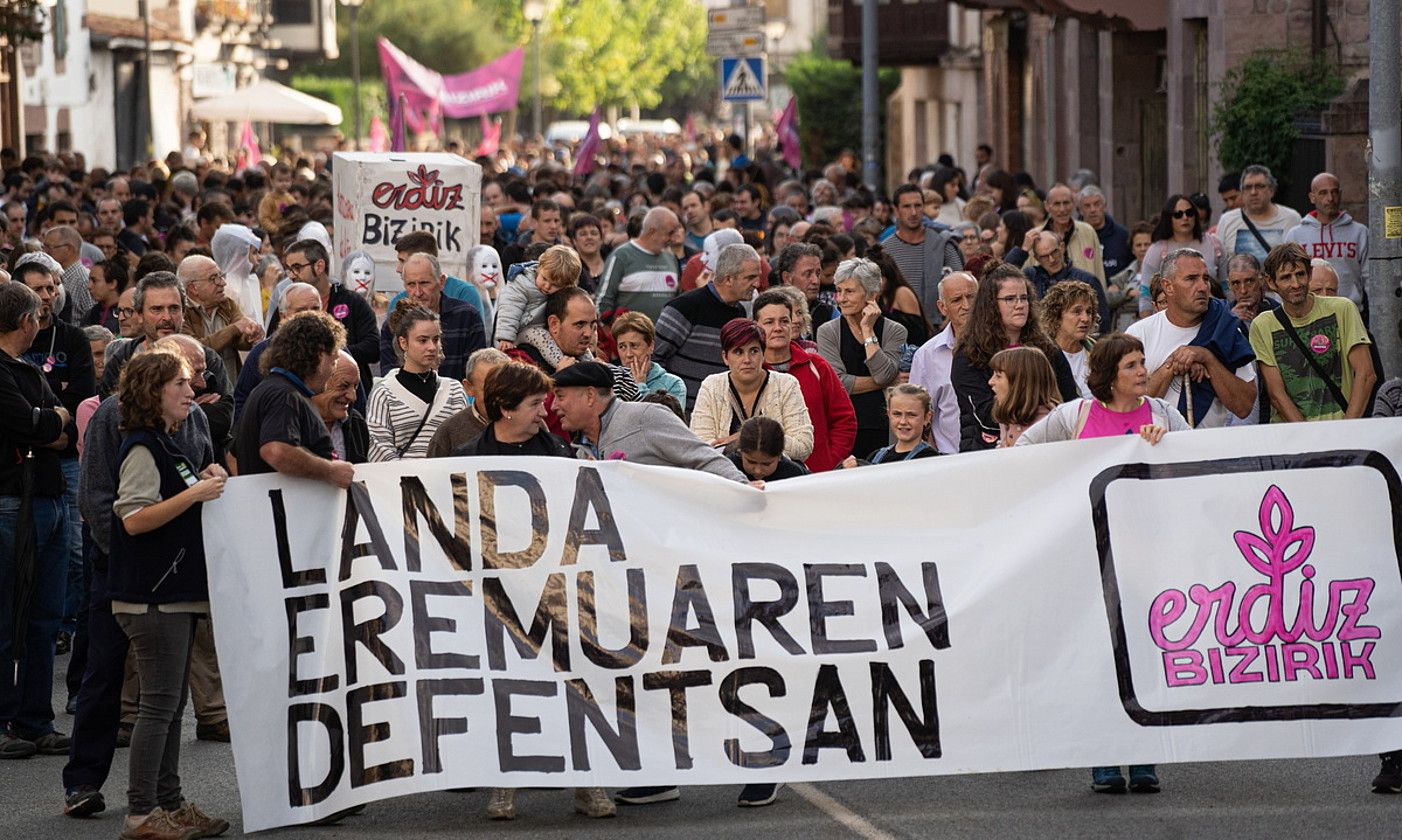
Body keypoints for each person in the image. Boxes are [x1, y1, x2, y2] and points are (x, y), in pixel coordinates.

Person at [108, 348, 230, 840]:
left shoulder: (165, 443)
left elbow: (169, 501)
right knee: (158, 707)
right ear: (152, 392)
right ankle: (141, 813)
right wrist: (194, 493)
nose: (191, 390)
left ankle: (170, 805)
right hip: (151, 596)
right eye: (179, 383)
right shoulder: (142, 446)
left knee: (169, 706)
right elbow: (134, 518)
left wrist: (200, 480)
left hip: (170, 594)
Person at [0, 283, 73, 761]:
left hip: (49, 499)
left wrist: (48, 423)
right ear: (26, 321)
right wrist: (51, 420)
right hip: (11, 504)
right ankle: (5, 721)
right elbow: (34, 424)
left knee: (45, 618)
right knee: (7, 616)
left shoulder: (26, 370)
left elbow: (55, 433)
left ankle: (35, 720)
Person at [551, 361, 747, 482]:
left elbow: (704, 457)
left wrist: (745, 490)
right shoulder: (579, 449)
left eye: (560, 396)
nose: (553, 406)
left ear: (590, 395)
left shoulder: (646, 417)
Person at [1126, 248, 1256, 428]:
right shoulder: (1138, 334)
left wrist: (1207, 358)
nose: (1203, 287)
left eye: (1205, 278)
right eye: (1191, 279)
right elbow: (1128, 405)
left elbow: (1244, 406)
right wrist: (1171, 365)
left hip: (1210, 450)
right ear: (1168, 286)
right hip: (1155, 449)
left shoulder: (1225, 327)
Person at [953, 263, 1078, 450]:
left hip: (1047, 449)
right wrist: (1040, 407)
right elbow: (986, 417)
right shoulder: (969, 355)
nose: (1020, 305)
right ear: (991, 305)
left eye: (1024, 298)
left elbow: (1069, 404)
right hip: (987, 454)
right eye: (1010, 299)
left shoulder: (1047, 349)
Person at [1249, 242, 1375, 422]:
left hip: (1342, 428)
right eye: (1286, 277)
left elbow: (1366, 374)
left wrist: (1347, 430)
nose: (1295, 284)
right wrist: (1309, 437)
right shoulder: (1263, 325)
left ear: (1309, 274)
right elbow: (1276, 394)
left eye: (1300, 274)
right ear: (1271, 283)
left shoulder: (1342, 308)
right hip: (1293, 437)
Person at [231, 311, 353, 488]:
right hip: (285, 513)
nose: (333, 370)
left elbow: (232, 455)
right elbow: (275, 450)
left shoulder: (271, 390)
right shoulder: (284, 395)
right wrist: (330, 471)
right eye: (333, 361)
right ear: (319, 355)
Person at [754, 290, 856, 472]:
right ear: (756, 326)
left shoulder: (817, 365)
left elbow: (844, 420)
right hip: (765, 479)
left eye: (784, 321)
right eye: (769, 322)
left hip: (817, 477)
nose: (778, 327)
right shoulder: (750, 371)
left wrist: (829, 462)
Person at [817, 258, 909, 457]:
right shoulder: (827, 332)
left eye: (849, 291)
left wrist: (867, 330)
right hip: (843, 428)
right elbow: (838, 383)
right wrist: (886, 381)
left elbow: (883, 375)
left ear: (871, 295)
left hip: (884, 427)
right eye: (839, 291)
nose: (841, 298)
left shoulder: (895, 331)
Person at [653, 242, 758, 409]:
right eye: (750, 278)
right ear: (729, 278)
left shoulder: (740, 314)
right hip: (681, 415)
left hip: (718, 416)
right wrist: (671, 405)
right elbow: (654, 359)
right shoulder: (684, 307)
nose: (757, 284)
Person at [690, 318, 814, 461]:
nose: (747, 359)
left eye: (754, 351)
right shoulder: (711, 386)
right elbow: (701, 447)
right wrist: (769, 441)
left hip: (778, 477)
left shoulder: (786, 384)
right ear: (725, 357)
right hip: (726, 477)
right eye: (738, 352)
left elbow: (803, 446)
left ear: (763, 354)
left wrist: (744, 437)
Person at [271, 239, 380, 390]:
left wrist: (331, 355)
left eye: (297, 268)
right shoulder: (288, 302)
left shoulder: (352, 302)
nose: (292, 275)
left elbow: (373, 347)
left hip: (347, 394)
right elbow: (272, 345)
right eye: (289, 269)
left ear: (319, 266)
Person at [367, 306, 467, 461]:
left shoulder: (454, 389)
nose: (432, 347)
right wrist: (409, 481)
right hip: (400, 481)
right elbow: (379, 447)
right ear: (403, 343)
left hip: (446, 481)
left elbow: (463, 443)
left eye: (436, 339)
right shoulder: (384, 392)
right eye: (422, 340)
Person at [377, 252, 487, 384]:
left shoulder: (467, 316)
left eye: (424, 283)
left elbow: (475, 374)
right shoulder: (393, 324)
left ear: (441, 282)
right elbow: (389, 376)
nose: (417, 292)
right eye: (411, 285)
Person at [908, 271, 977, 454]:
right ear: (942, 307)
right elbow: (918, 414)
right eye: (957, 300)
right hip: (948, 458)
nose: (966, 305)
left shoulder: (1001, 344)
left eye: (971, 297)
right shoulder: (926, 355)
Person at [232, 282, 321, 419]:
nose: (310, 316)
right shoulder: (262, 352)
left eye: (315, 309)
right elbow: (241, 401)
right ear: (283, 316)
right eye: (301, 311)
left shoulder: (335, 350)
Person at [452, 362, 574, 461]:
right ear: (506, 409)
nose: (544, 413)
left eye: (543, 402)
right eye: (535, 403)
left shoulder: (559, 452)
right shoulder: (467, 459)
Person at [1285, 172, 1368, 309]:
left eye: (1334, 192)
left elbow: (1372, 278)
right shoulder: (1296, 235)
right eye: (1323, 193)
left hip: (1350, 311)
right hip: (1306, 313)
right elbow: (1285, 277)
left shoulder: (1359, 232)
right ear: (1312, 197)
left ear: (1340, 194)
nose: (1330, 198)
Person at [879, 183, 962, 320]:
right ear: (896, 210)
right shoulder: (886, 250)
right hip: (900, 327)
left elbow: (960, 285)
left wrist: (948, 322)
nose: (913, 212)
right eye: (906, 206)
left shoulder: (942, 244)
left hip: (940, 327)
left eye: (917, 206)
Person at [1139, 194, 1227, 316]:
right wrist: (1147, 324)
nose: (1185, 218)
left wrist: (1229, 317)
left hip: (1213, 316)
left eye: (1189, 213)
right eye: (1178, 214)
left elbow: (1227, 287)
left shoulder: (1214, 244)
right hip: (1169, 321)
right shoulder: (1156, 250)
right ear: (1169, 218)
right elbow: (1145, 295)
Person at [177, 255, 261, 380]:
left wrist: (251, 334)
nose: (222, 283)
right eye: (213, 279)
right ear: (193, 288)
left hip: (232, 386)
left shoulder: (227, 304)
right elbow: (197, 350)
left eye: (221, 276)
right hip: (200, 392)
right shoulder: (181, 312)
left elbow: (241, 340)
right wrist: (235, 329)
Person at [594, 207, 683, 323]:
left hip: (664, 338)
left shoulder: (671, 258)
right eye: (670, 233)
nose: (673, 238)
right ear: (652, 232)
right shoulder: (621, 255)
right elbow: (602, 302)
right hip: (627, 339)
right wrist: (611, 336)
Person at [494, 244, 581, 358]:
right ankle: (560, 361)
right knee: (540, 335)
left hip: (546, 328)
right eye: (544, 278)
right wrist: (506, 337)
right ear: (539, 267)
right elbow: (509, 310)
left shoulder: (562, 293)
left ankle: (590, 360)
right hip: (519, 332)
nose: (547, 286)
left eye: (555, 285)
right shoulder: (521, 284)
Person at [425, 348, 510, 458]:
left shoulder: (529, 425)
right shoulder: (449, 432)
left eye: (504, 388)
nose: (497, 396)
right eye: (488, 389)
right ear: (469, 388)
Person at [1025, 230, 1112, 330]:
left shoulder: (1086, 279)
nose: (1051, 260)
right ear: (1036, 258)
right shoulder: (1031, 277)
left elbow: (1102, 322)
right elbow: (1005, 276)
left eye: (1054, 252)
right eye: (1044, 256)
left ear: (1062, 248)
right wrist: (1022, 251)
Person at [1215, 164, 1302, 261]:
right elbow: (1220, 263)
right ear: (1242, 192)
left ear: (1272, 190)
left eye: (1260, 186)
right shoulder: (1227, 220)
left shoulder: (1292, 219)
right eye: (1248, 187)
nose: (1253, 192)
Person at [839, 384, 939, 465]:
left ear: (927, 417)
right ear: (888, 415)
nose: (903, 421)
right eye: (897, 414)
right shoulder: (876, 456)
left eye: (911, 415)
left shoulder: (930, 459)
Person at [1030, 183, 1104, 283]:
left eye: (1066, 203)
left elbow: (1099, 272)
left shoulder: (1088, 231)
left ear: (1073, 203)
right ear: (1047, 206)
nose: (1062, 209)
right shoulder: (1035, 236)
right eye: (1057, 204)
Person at [989, 347, 1061, 447]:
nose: (991, 382)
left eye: (998, 376)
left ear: (1020, 383)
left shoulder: (1046, 428)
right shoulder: (1009, 419)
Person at [611, 311, 686, 405]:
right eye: (622, 346)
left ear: (651, 346)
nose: (628, 354)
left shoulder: (673, 384)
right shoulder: (612, 380)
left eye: (634, 346)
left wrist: (640, 386)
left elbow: (663, 419)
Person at [1040, 281, 1100, 398]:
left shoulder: (1099, 351)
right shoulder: (1042, 355)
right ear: (1056, 316)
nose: (1085, 318)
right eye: (1077, 311)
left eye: (1089, 312)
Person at [310, 352, 368, 464]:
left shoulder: (357, 423)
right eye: (343, 386)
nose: (353, 397)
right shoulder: (289, 425)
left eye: (355, 387)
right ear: (315, 383)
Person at [867, 245, 932, 346]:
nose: (874, 284)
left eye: (879, 279)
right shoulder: (874, 297)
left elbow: (918, 333)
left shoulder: (902, 293)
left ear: (889, 277)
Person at [208, 223, 263, 325]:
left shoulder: (250, 281)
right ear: (239, 256)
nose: (260, 257)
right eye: (254, 252)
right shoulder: (228, 287)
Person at [39, 224, 93, 322]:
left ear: (68, 249)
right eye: (43, 246)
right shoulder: (53, 275)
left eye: (48, 247)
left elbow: (92, 319)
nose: (44, 252)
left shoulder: (84, 280)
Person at [728, 416, 809, 481]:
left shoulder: (796, 476)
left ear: (779, 456)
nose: (757, 470)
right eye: (751, 462)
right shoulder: (726, 469)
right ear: (740, 452)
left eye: (766, 464)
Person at [1078, 186, 1131, 279]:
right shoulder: (1074, 236)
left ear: (1104, 206)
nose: (1093, 210)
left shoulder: (1122, 236)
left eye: (1097, 204)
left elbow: (1131, 269)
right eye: (1087, 206)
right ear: (1080, 211)